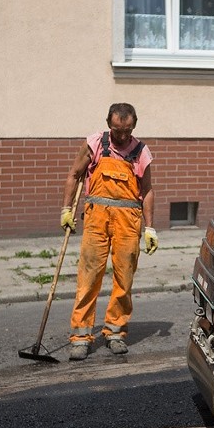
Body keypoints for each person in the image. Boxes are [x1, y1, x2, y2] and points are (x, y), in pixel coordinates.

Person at [60, 102, 158, 361]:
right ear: (109, 124)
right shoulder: (94, 144)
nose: (122, 136)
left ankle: (115, 332)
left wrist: (149, 228)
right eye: (117, 130)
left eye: (127, 131)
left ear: (133, 126)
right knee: (88, 278)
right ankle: (81, 336)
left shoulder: (140, 152)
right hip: (96, 220)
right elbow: (74, 174)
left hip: (128, 221)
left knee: (124, 280)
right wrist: (66, 209)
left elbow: (147, 190)